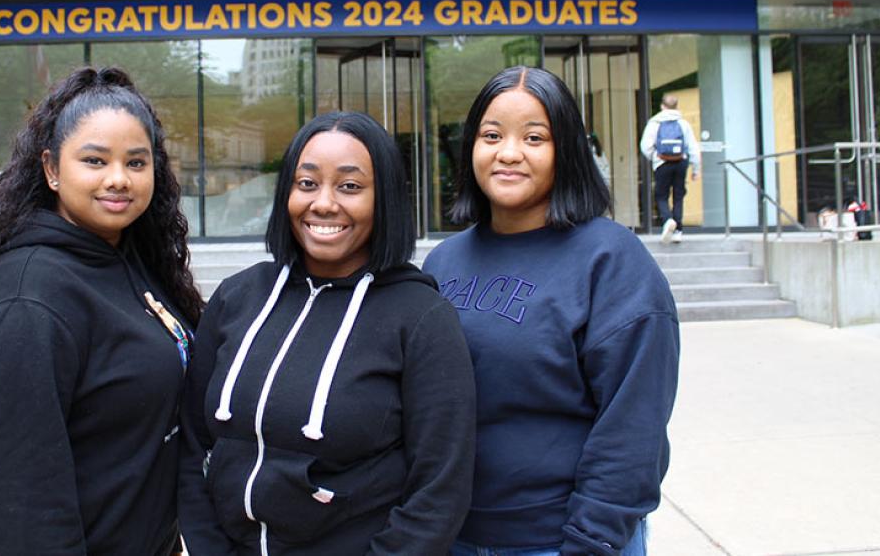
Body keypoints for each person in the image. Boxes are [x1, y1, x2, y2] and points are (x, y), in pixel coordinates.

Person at [0, 67, 204, 556]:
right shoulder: (25, 300)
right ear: (52, 168)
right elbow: (22, 507)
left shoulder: (125, 257)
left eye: (136, 163)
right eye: (95, 160)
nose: (118, 179)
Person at [179, 111, 476, 555]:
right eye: (307, 183)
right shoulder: (237, 298)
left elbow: (439, 489)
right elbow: (191, 444)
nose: (323, 203)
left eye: (350, 186)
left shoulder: (420, 317)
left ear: (384, 199)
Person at [422, 67, 680, 556]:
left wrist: (590, 540)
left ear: (566, 150)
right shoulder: (443, 261)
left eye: (534, 137)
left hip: (560, 540)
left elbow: (633, 424)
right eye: (491, 135)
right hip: (451, 537)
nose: (509, 152)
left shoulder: (611, 260)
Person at [638, 94, 701, 243]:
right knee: (678, 195)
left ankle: (667, 220)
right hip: (681, 162)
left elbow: (645, 146)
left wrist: (655, 156)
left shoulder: (655, 122)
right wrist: (696, 169)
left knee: (661, 195)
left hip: (662, 162)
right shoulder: (683, 124)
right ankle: (678, 230)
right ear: (676, 106)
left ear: (662, 106)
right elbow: (693, 147)